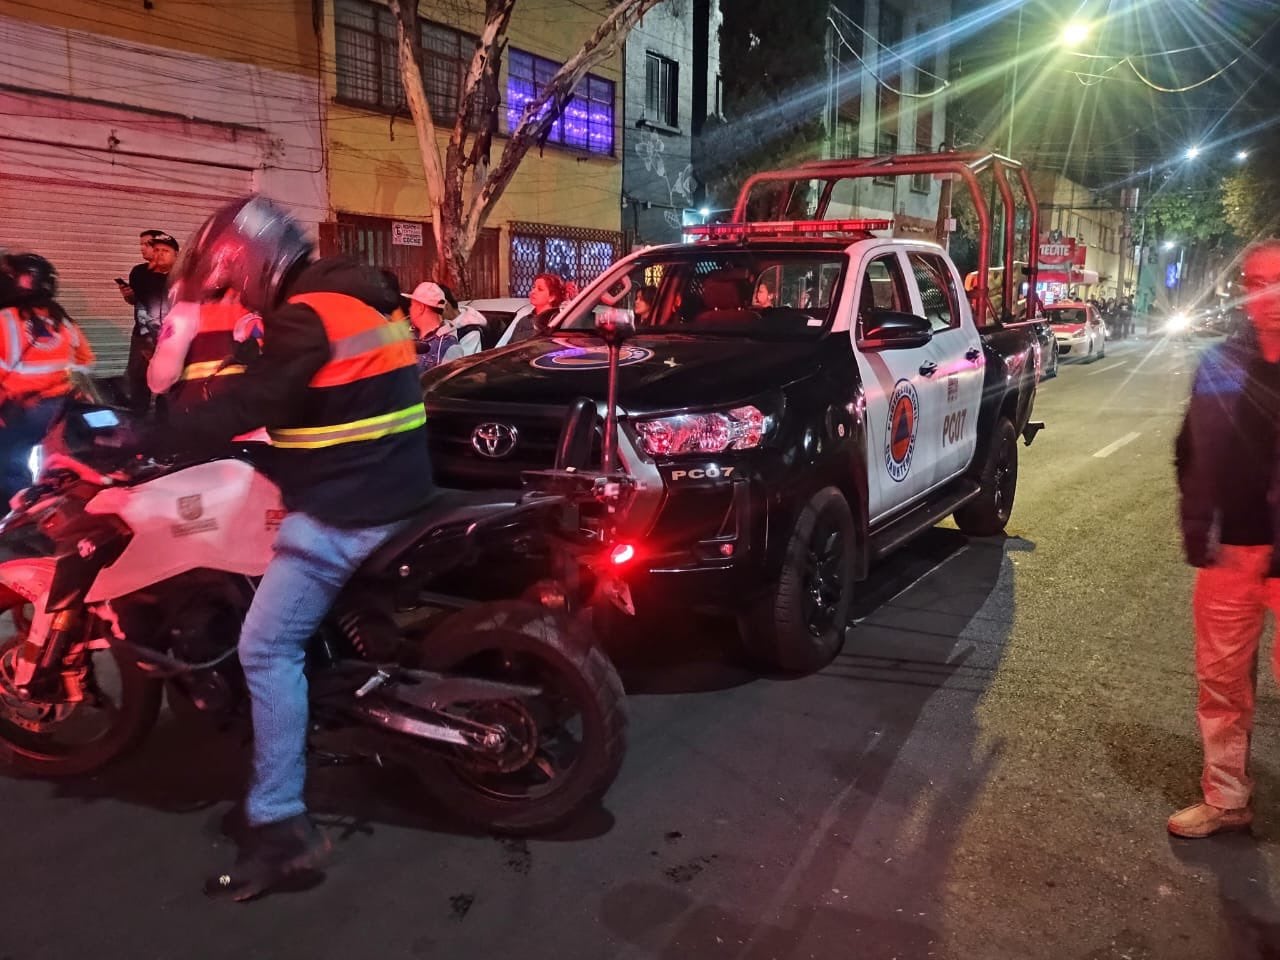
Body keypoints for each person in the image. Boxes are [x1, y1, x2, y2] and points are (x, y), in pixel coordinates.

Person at [135, 196, 434, 899]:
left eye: (232, 281)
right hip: (394, 480)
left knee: (266, 648)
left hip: (349, 503)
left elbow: (255, 404)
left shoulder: (306, 314)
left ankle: (281, 828)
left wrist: (145, 437)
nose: (234, 295)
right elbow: (321, 404)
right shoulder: (355, 294)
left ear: (251, 259)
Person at [1168, 239, 1280, 839]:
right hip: (1230, 552)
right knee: (1221, 682)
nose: (1273, 297)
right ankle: (1227, 796)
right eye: (1261, 283)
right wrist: (1195, 524)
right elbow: (1192, 449)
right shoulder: (1222, 360)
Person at [0, 254, 95, 500]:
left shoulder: (5, 319)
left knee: (10, 467)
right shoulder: (62, 320)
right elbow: (85, 361)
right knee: (54, 464)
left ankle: (19, 514)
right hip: (59, 408)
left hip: (18, 410)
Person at [146, 292, 263, 416]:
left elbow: (161, 379)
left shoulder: (184, 314)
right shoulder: (259, 311)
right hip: (251, 419)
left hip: (198, 416)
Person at [123, 231, 179, 413]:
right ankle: (138, 420)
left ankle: (164, 423)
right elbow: (138, 303)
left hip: (172, 340)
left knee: (169, 383)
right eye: (156, 250)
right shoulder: (140, 273)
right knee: (138, 380)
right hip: (143, 336)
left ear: (176, 255)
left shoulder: (183, 277)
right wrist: (129, 297)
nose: (159, 254)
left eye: (165, 250)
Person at [404, 280, 461, 371]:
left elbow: (449, 384)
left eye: (412, 305)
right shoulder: (409, 335)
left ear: (420, 308)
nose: (410, 309)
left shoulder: (449, 348)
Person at [498, 273, 566, 346]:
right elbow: (509, 348)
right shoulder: (524, 321)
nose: (533, 292)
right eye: (533, 287)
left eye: (540, 289)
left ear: (552, 297)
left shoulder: (558, 322)